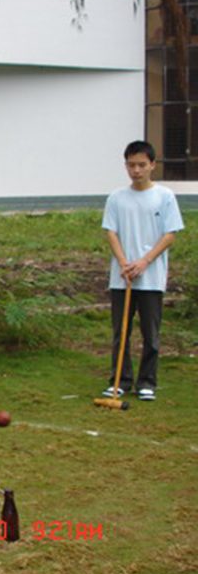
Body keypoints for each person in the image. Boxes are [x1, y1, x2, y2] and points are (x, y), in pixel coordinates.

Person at [100, 140, 184, 402]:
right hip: (122, 277)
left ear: (152, 165)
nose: (136, 170)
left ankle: (147, 382)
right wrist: (124, 262)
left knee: (150, 333)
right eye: (131, 165)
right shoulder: (116, 198)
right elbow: (111, 232)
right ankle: (120, 380)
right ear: (126, 166)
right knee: (121, 332)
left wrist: (144, 262)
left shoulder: (165, 197)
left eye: (141, 165)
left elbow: (169, 235)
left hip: (151, 277)